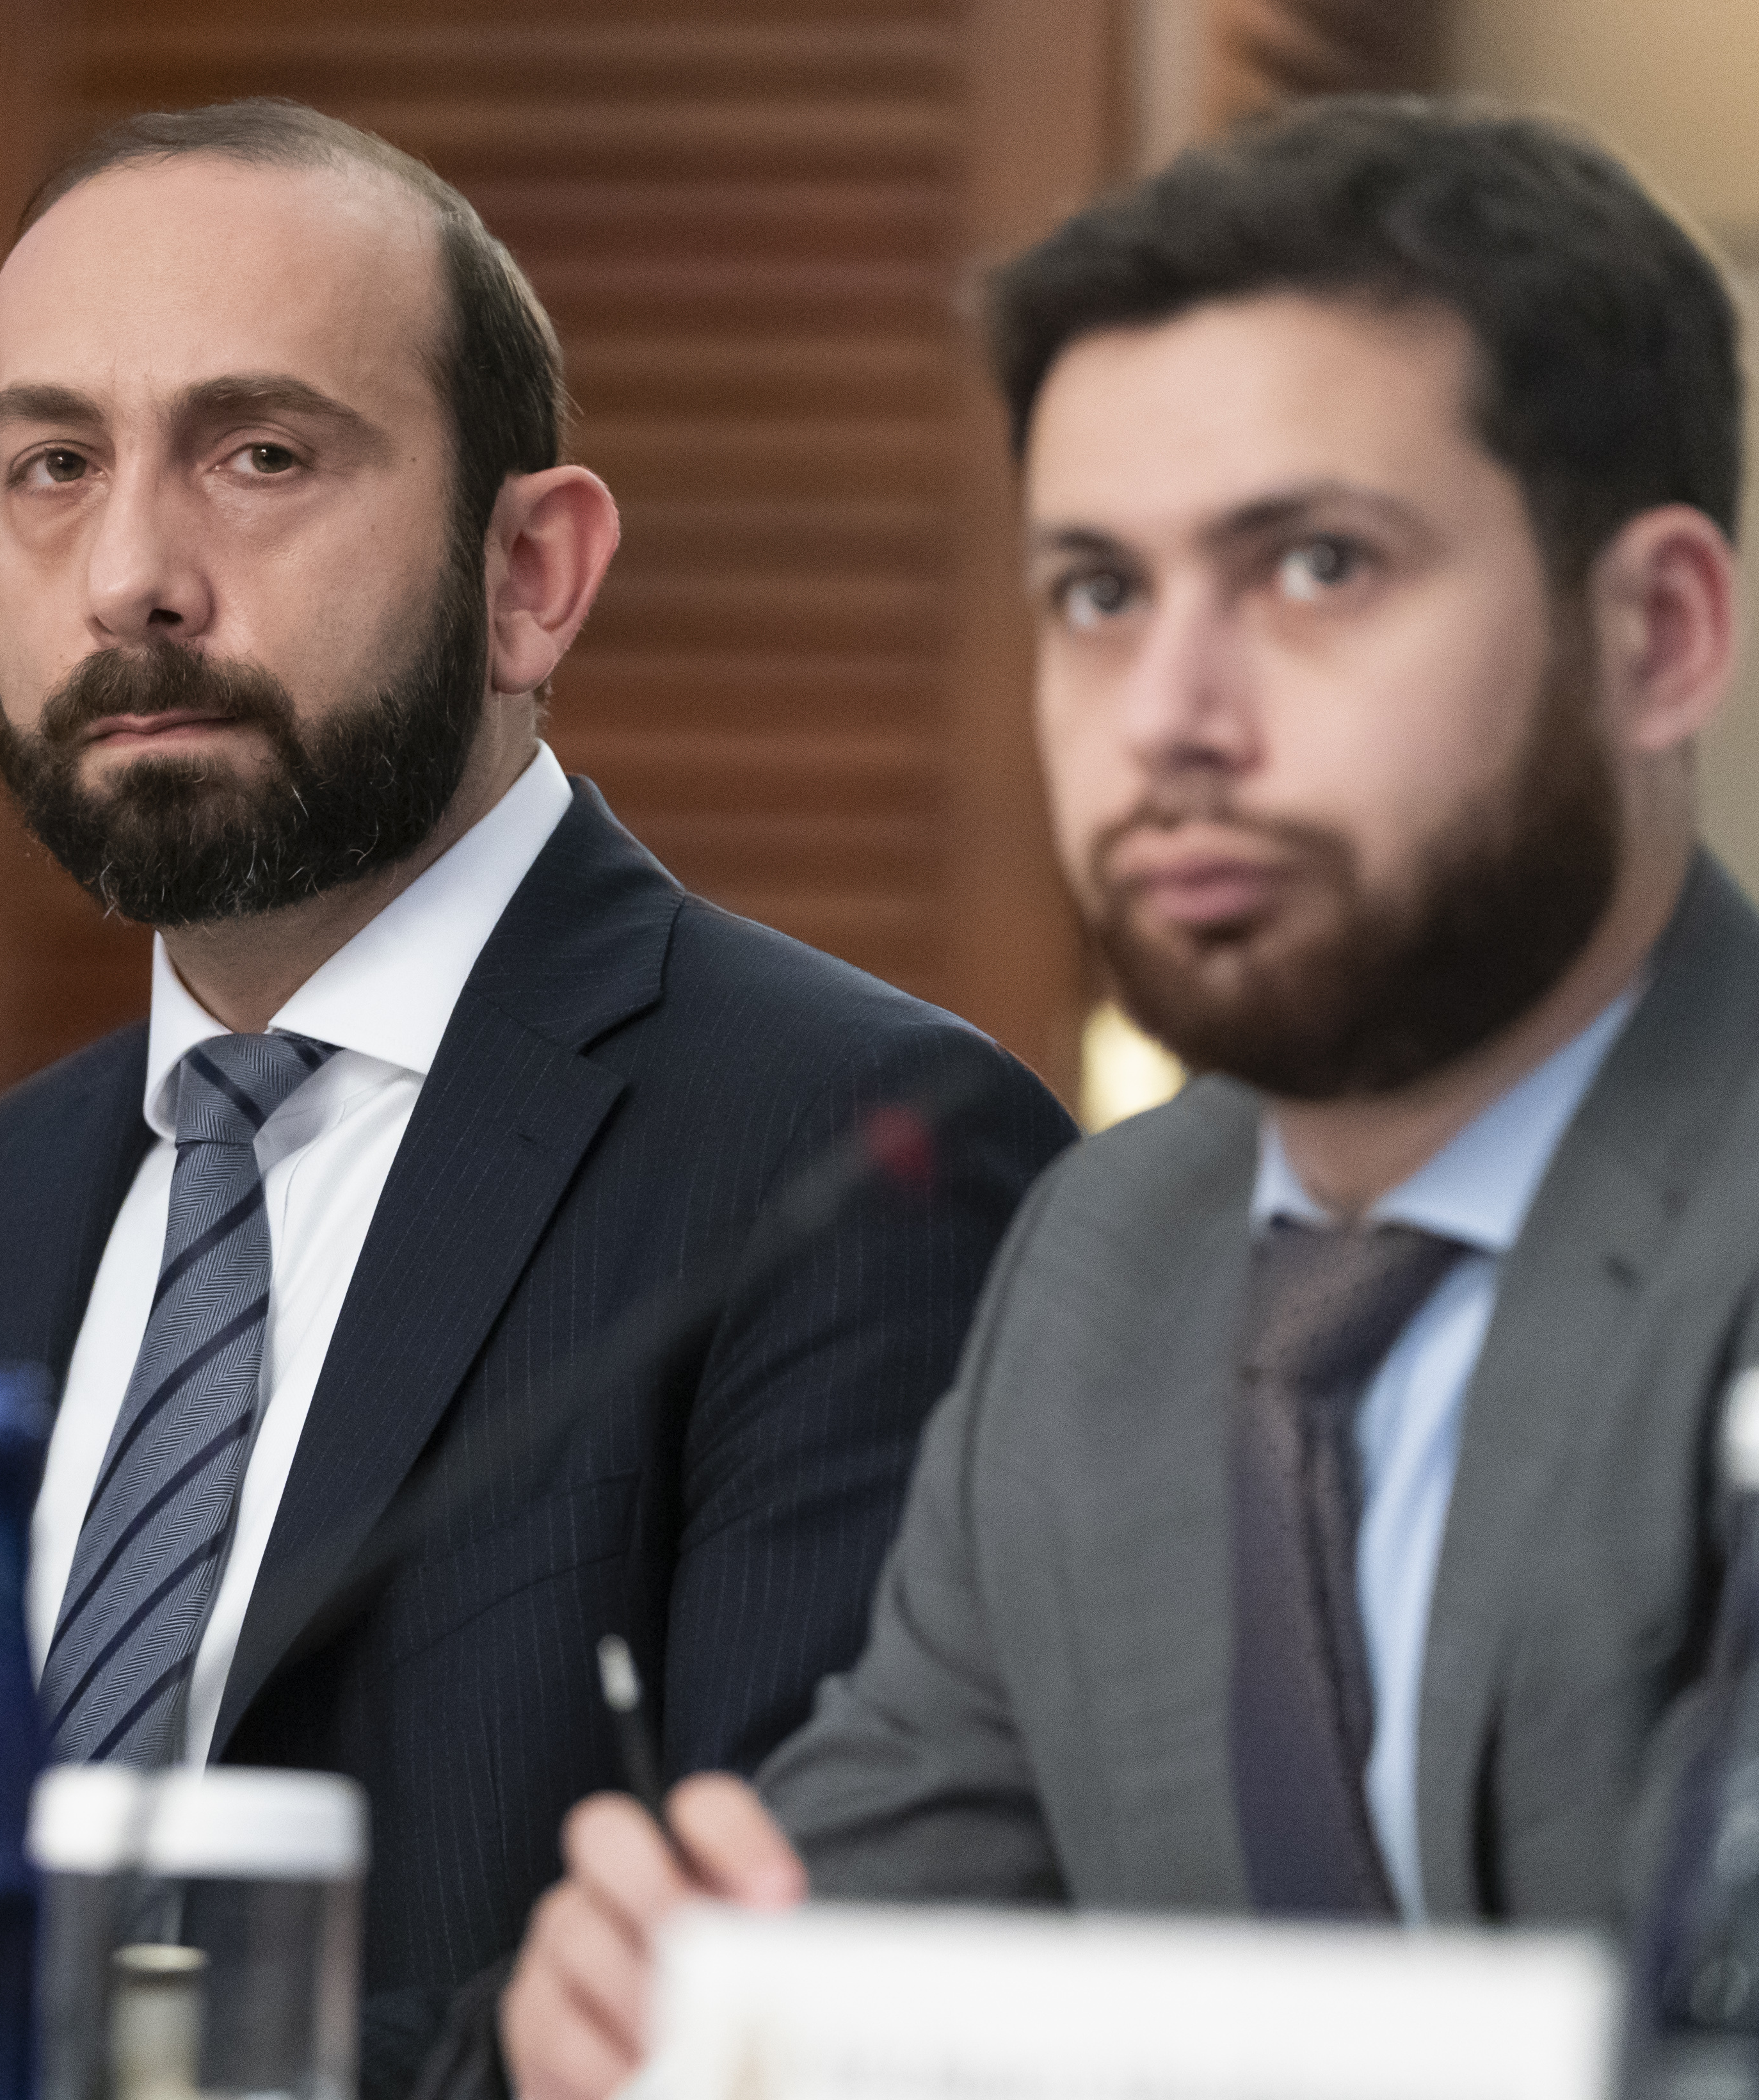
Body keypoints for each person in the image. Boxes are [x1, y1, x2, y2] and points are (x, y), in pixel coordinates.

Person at [0, 100, 1079, 2096]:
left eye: (260, 455)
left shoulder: (848, 1155)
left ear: (532, 572)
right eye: (50, 467)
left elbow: (759, 2003)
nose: (129, 576)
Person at [497, 95, 1759, 2100]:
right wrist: (691, 2005)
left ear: (1658, 633)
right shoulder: (1113, 1249)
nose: (1172, 718)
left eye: (1319, 565)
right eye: (1097, 593)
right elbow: (872, 1933)